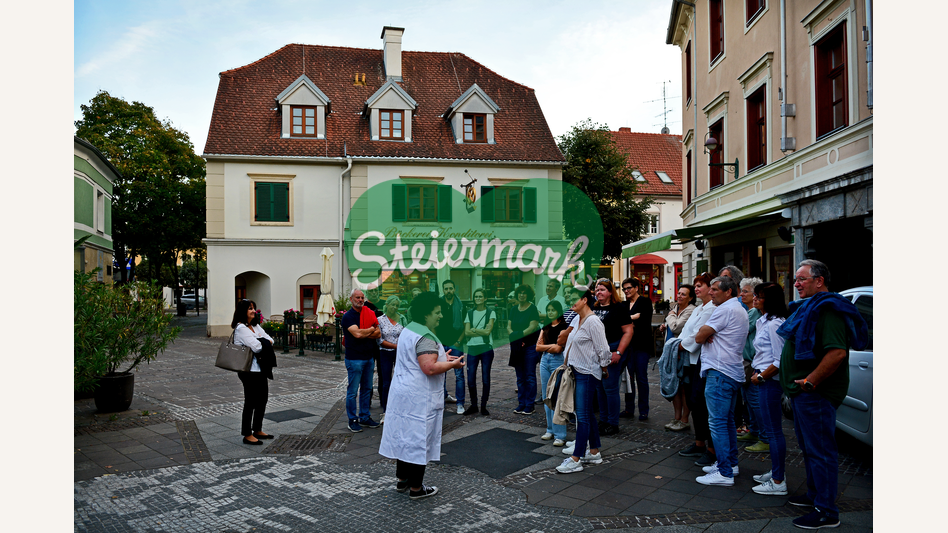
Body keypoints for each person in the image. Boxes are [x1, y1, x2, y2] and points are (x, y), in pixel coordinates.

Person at [777, 260, 868, 529]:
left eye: (802, 279)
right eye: (795, 279)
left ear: (819, 281)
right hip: (804, 393)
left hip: (815, 393)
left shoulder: (828, 310)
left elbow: (837, 352)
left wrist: (809, 381)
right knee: (809, 449)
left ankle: (827, 511)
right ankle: (815, 495)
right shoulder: (809, 308)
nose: (796, 284)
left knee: (821, 452)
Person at [379, 292, 465, 500]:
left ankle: (402, 480)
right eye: (437, 312)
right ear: (426, 315)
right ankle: (417, 488)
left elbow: (421, 357)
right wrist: (452, 364)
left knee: (404, 436)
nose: (441, 316)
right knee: (419, 439)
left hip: (404, 393)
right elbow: (429, 367)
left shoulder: (409, 330)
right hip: (419, 396)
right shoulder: (426, 335)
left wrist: (444, 357)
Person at [693, 276, 748, 486]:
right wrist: (705, 334)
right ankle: (730, 464)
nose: (711, 292)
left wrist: (705, 333)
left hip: (720, 372)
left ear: (729, 292)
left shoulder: (725, 309)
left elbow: (699, 336)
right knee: (726, 422)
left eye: (715, 290)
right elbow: (703, 335)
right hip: (731, 371)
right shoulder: (737, 308)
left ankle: (724, 470)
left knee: (717, 422)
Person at [555, 285, 611, 474]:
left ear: (585, 299)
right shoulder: (579, 318)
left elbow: (603, 349)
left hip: (587, 373)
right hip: (576, 371)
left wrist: (604, 367)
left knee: (583, 415)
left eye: (573, 297)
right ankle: (593, 452)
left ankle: (576, 458)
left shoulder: (593, 322)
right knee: (585, 413)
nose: (570, 300)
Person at [748, 282, 789, 497]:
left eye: (759, 296)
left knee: (773, 431)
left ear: (769, 300)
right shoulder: (763, 320)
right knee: (771, 429)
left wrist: (762, 377)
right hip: (762, 377)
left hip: (769, 382)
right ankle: (776, 471)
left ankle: (778, 481)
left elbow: (780, 359)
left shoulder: (774, 324)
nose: (754, 299)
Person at [677, 273, 717, 467]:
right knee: (694, 401)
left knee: (702, 403)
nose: (697, 289)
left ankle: (710, 448)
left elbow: (697, 335)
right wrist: (679, 343)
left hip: (703, 360)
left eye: (700, 285)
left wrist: (682, 345)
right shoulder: (699, 308)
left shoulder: (712, 309)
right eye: (696, 285)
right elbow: (687, 331)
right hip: (691, 361)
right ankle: (699, 442)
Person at [590, 279, 633, 435]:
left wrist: (619, 352)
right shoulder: (592, 308)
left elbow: (628, 331)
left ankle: (613, 423)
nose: (598, 292)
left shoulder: (619, 308)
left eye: (602, 289)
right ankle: (604, 420)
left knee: (610, 388)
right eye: (596, 289)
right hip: (595, 353)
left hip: (612, 351)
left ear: (610, 292)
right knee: (599, 388)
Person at [231, 299, 276, 445]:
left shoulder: (255, 326)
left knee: (262, 399)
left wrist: (263, 341)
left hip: (260, 368)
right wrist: (263, 341)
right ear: (243, 311)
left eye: (254, 308)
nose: (253, 311)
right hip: (248, 370)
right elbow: (257, 347)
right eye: (250, 308)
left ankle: (257, 429)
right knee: (250, 402)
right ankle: (247, 433)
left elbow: (271, 340)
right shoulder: (241, 328)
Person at [342, 289, 382, 433]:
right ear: (351, 299)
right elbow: (357, 334)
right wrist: (371, 329)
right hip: (354, 359)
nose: (360, 300)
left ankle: (365, 417)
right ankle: (352, 420)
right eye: (357, 297)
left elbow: (379, 333)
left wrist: (367, 331)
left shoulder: (369, 313)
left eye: (362, 298)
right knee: (353, 392)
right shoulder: (348, 317)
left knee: (367, 389)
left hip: (369, 358)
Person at [659, 285, 696, 431]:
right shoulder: (675, 309)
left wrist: (670, 317)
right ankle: (676, 417)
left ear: (691, 297)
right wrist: (664, 326)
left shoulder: (691, 311)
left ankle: (685, 419)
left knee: (684, 387)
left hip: (682, 353)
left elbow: (676, 327)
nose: (679, 296)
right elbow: (671, 327)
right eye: (678, 293)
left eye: (683, 294)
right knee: (675, 385)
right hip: (671, 352)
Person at [737, 277, 767, 451]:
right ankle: (755, 430)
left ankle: (764, 436)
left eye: (746, 291)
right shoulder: (749, 311)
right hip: (748, 361)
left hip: (754, 362)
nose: (742, 294)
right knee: (749, 400)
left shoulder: (755, 312)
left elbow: (742, 330)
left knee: (755, 401)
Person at [618, 277, 653, 421]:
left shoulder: (645, 302)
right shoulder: (623, 304)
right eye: (624, 289)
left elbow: (644, 322)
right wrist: (633, 317)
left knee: (641, 378)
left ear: (636, 288)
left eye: (629, 288)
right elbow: (620, 322)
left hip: (641, 345)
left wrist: (629, 320)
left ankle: (644, 410)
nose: (626, 291)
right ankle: (629, 408)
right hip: (628, 345)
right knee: (628, 377)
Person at [536, 300, 569, 446]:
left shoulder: (564, 327)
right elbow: (537, 347)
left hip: (557, 361)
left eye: (552, 310)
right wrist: (550, 346)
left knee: (556, 396)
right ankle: (549, 429)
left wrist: (546, 347)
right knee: (545, 396)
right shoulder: (546, 326)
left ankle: (560, 434)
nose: (550, 312)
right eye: (548, 310)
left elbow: (558, 349)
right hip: (544, 361)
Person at [462, 288, 496, 416]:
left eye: (480, 296)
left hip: (486, 347)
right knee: (470, 378)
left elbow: (488, 331)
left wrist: (474, 330)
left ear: (485, 298)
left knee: (485, 378)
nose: (478, 298)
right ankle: (474, 404)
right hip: (472, 347)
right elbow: (466, 332)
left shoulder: (490, 313)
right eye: (476, 296)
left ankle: (483, 405)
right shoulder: (469, 313)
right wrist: (478, 330)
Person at [508, 284, 541, 414]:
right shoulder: (513, 309)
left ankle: (530, 404)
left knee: (529, 376)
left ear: (528, 295)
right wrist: (513, 335)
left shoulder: (533, 309)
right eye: (520, 293)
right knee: (520, 377)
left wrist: (520, 335)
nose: (522, 295)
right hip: (517, 347)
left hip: (530, 346)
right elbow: (509, 326)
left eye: (524, 293)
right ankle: (521, 403)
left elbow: (533, 326)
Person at [436, 280, 467, 414]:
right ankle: (442, 399)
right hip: (442, 343)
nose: (448, 291)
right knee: (440, 373)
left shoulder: (461, 306)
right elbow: (434, 324)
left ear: (454, 289)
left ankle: (460, 403)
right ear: (443, 290)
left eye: (450, 288)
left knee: (459, 374)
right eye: (446, 288)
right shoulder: (438, 305)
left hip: (456, 343)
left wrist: (459, 341)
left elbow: (466, 324)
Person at [377, 295, 407, 424]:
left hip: (400, 354)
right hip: (385, 353)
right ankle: (385, 411)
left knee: (401, 381)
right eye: (392, 304)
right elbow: (380, 340)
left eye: (396, 305)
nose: (394, 307)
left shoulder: (402, 318)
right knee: (386, 382)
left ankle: (400, 409)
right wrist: (396, 346)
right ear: (387, 305)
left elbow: (406, 334)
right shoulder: (380, 320)